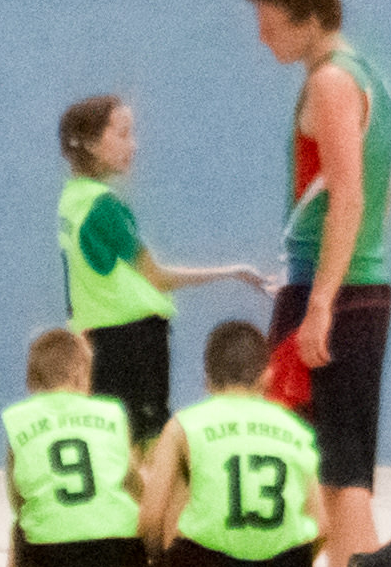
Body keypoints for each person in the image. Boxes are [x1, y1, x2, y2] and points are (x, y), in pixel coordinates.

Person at [249, 0, 391, 567]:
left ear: (310, 21)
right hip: (354, 283)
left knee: (338, 471)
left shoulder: (331, 83)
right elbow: (379, 196)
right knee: (342, 471)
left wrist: (319, 302)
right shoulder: (370, 78)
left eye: (272, 27)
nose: (263, 40)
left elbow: (349, 197)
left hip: (331, 291)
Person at [52, 96, 266, 450]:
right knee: (147, 443)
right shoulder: (104, 205)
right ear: (90, 142)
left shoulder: (71, 200)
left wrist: (78, 328)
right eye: (122, 134)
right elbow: (156, 276)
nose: (133, 145)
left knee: (112, 441)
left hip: (97, 336)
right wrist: (232, 272)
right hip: (134, 339)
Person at [138, 316, 323, 567]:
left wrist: (158, 560)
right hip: (282, 564)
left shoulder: (184, 425)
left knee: (181, 480)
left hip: (205, 562)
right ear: (267, 376)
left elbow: (151, 517)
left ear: (207, 379)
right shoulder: (297, 429)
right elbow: (322, 525)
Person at [1, 323, 152, 567]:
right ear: (80, 372)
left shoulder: (18, 418)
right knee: (132, 541)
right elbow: (134, 485)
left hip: (47, 552)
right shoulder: (112, 412)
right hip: (115, 546)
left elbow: (17, 497)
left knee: (18, 536)